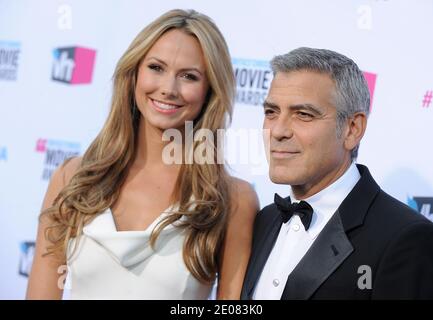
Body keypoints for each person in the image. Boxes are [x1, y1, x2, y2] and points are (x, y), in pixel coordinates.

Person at [26, 9, 259, 300]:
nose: (168, 89)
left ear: (210, 90)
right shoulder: (73, 178)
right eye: (156, 68)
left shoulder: (232, 200)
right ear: (134, 72)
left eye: (188, 76)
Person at [241, 47, 433, 300]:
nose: (277, 131)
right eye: (271, 112)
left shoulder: (405, 238)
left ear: (352, 129)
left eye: (303, 115)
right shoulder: (263, 221)